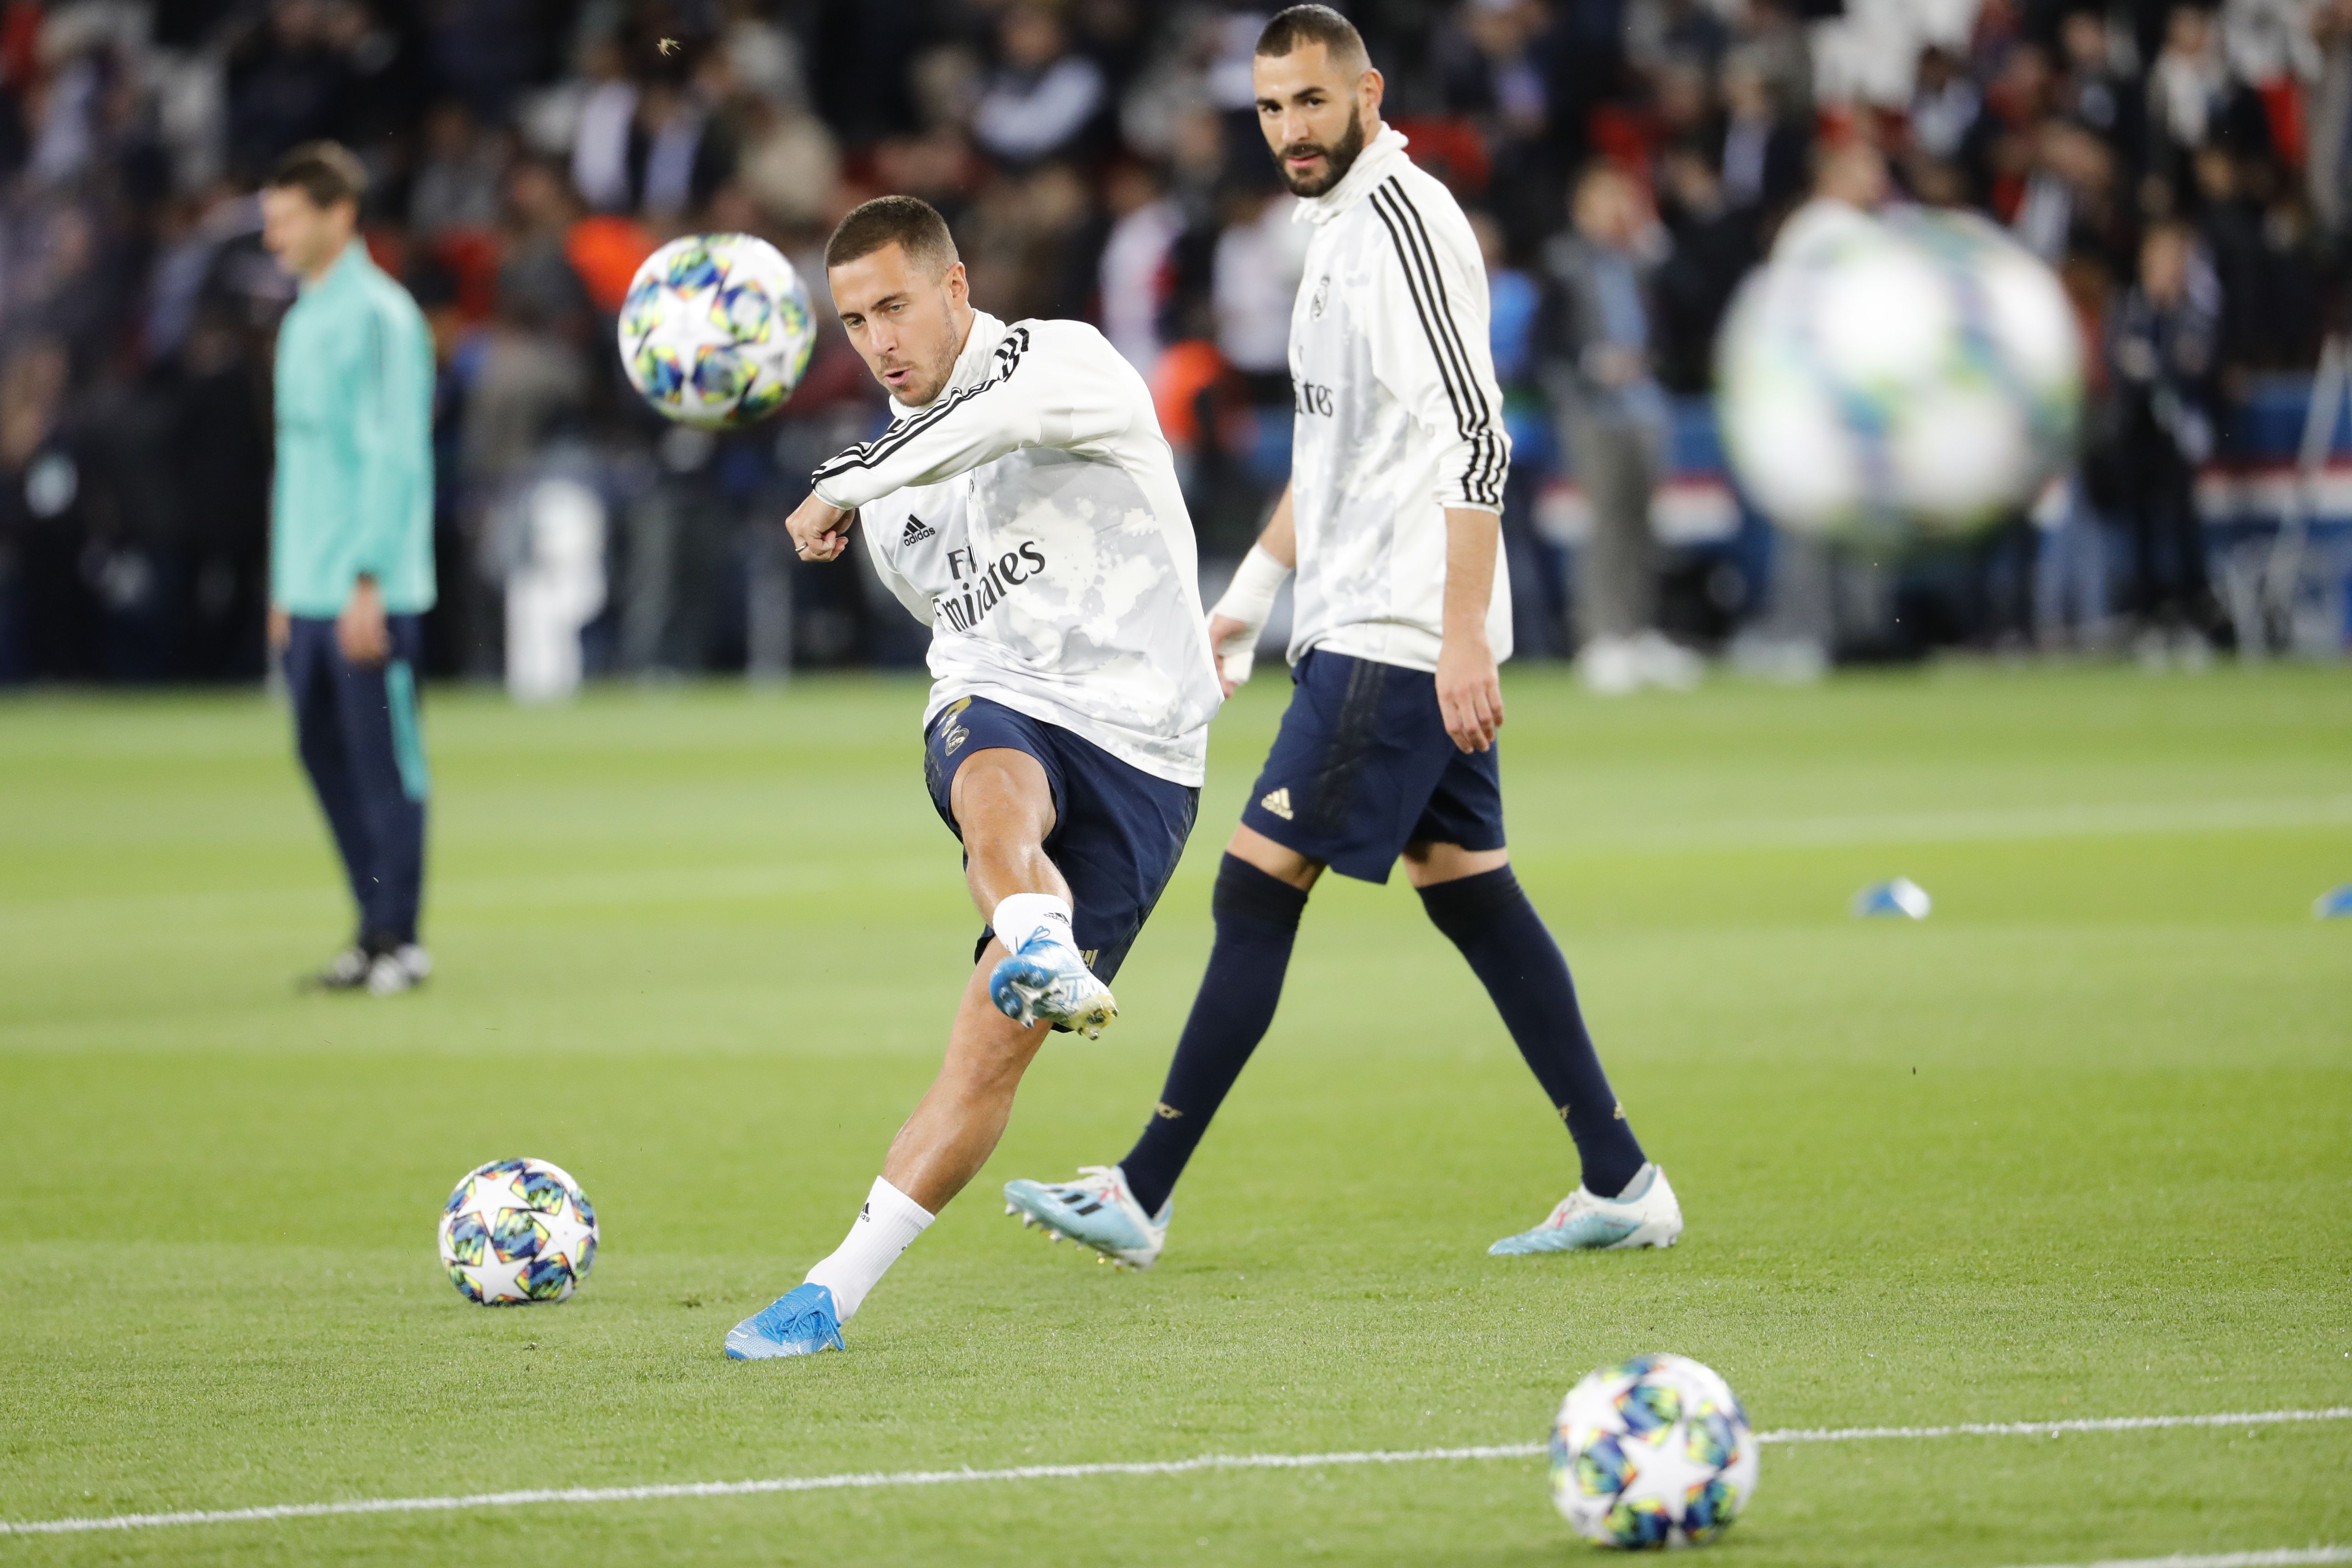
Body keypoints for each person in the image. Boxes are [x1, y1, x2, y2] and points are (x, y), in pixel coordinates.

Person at [1002, 6, 1681, 1270]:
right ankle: (1621, 1178)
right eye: (1269, 108)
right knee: (1471, 894)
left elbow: (1478, 437)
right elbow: (1338, 453)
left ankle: (1140, 1189)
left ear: (1365, 93)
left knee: (1254, 884)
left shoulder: (1406, 226)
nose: (1288, 130)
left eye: (1310, 103)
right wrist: (1248, 601)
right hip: (1364, 612)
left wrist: (1463, 634)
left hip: (1402, 624)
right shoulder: (1328, 235)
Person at [724, 196, 1222, 1361]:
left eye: (894, 305)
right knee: (994, 780)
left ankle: (1028, 933)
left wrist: (844, 475)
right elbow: (956, 626)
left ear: (955, 289)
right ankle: (828, 1295)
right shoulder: (888, 485)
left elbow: (980, 426)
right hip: (1002, 698)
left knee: (992, 1053)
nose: (877, 341)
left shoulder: (1064, 361)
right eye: (851, 322)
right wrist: (864, 482)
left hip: (1150, 750)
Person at [260, 143, 437, 996]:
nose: (273, 239)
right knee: (320, 750)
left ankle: (400, 939)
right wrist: (287, 586)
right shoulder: (303, 316)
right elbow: (300, 467)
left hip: (373, 584)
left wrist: (368, 575)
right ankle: (370, 931)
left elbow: (393, 455)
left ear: (338, 215)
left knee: (384, 759)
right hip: (312, 586)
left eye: (286, 220)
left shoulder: (379, 316)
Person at [1541, 162, 1701, 694]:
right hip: (1593, 411)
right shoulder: (1563, 263)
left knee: (1644, 525)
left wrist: (1653, 243)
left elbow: (1687, 309)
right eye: (1608, 202)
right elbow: (1546, 344)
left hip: (1644, 407)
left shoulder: (1641, 261)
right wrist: (1592, 363)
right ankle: (1601, 636)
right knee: (1607, 523)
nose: (1618, 213)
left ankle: (1638, 631)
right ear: (1583, 209)